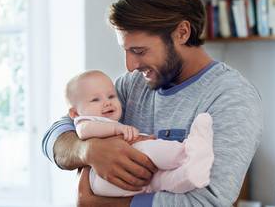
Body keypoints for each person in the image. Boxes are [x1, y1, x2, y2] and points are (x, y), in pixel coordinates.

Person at [42, 0, 263, 207]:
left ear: (182, 32)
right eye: (125, 51)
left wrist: (105, 204)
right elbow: (56, 134)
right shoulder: (133, 86)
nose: (129, 66)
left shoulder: (231, 97)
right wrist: (86, 150)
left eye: (138, 51)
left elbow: (208, 202)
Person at [65, 70, 214, 197]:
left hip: (125, 182)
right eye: (95, 100)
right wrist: (118, 130)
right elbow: (85, 131)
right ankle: (188, 152)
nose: (107, 103)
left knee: (159, 181)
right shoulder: (84, 122)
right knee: (150, 149)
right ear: (75, 112)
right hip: (102, 179)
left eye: (111, 96)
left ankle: (189, 175)